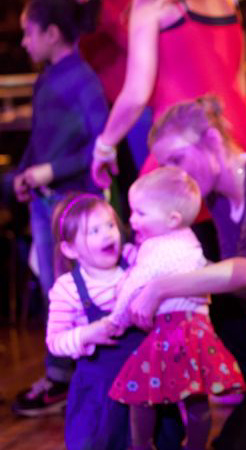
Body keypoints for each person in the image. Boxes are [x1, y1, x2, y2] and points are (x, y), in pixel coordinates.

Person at [125, 96, 246, 449]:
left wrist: (159, 288)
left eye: (178, 159)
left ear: (212, 141)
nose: (176, 173)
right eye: (166, 165)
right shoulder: (217, 199)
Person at [11, 0, 107, 417]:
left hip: (71, 202)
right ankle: (59, 373)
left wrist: (49, 169)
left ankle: (69, 375)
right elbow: (37, 138)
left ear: (51, 33)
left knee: (70, 290)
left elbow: (99, 144)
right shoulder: (46, 79)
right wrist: (24, 171)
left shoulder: (82, 80)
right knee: (55, 290)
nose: (23, 41)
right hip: (44, 202)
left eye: (28, 31)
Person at [107, 166, 244, 450]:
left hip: (171, 330)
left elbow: (135, 282)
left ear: (172, 219)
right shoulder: (190, 241)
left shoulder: (157, 247)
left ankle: (141, 445)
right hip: (199, 330)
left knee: (140, 393)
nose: (132, 220)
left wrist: (116, 319)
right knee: (195, 397)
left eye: (141, 213)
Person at [46, 193, 182, 450]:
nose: (108, 234)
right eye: (94, 231)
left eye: (110, 225)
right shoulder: (68, 289)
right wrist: (88, 334)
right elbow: (55, 341)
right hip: (102, 395)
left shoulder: (132, 259)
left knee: (160, 438)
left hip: (149, 382)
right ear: (70, 248)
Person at [90, 0, 246, 188]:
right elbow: (240, 86)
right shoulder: (227, 4)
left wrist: (104, 146)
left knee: (151, 207)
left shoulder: (152, 6)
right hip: (240, 133)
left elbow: (137, 95)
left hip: (186, 143)